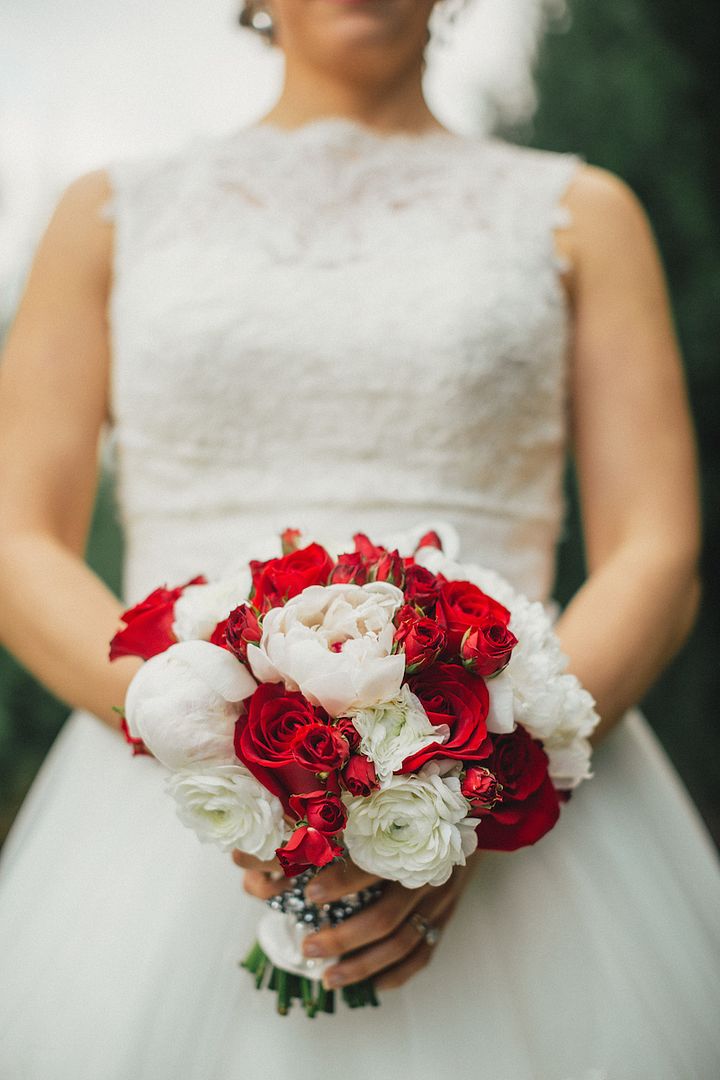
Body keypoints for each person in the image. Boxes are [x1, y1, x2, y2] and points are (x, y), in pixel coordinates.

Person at [0, 1, 718, 1077]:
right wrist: (227, 749)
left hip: (527, 793)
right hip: (158, 807)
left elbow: (658, 552)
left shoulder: (580, 212)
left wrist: (479, 787)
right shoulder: (106, 213)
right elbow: (17, 543)